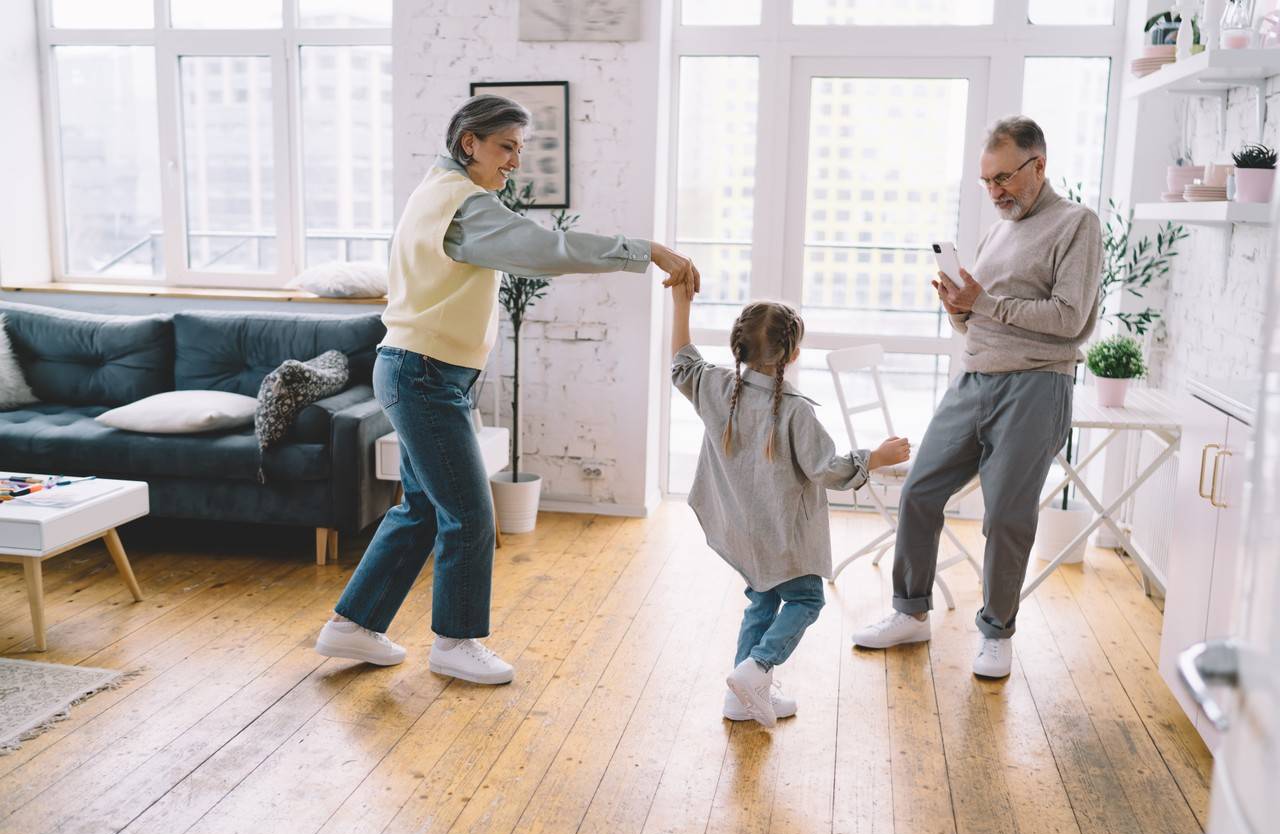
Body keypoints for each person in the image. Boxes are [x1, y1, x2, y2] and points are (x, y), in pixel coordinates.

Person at [315, 94, 699, 684]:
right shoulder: (463, 207)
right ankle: (455, 641)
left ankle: (353, 625)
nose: (515, 161)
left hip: (421, 369)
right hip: (423, 373)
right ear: (469, 142)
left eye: (520, 149)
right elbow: (546, 251)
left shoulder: (439, 189)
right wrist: (643, 251)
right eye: (506, 147)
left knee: (423, 506)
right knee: (469, 513)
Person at [851, 115, 1102, 679]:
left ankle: (996, 632)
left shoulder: (1075, 224)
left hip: (1037, 385)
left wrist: (982, 303)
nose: (995, 193)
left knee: (1007, 516)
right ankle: (911, 612)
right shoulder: (998, 230)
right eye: (987, 182)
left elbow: (1070, 320)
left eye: (1005, 179)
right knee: (919, 490)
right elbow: (985, 317)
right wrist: (961, 311)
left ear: (1039, 165)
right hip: (974, 379)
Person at [670, 287, 910, 727]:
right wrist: (876, 457)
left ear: (738, 346)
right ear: (793, 353)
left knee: (761, 601)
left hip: (742, 529)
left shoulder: (715, 386)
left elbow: (682, 362)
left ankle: (739, 698)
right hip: (783, 535)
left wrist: (681, 303)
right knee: (806, 599)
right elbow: (828, 470)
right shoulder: (796, 412)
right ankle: (757, 667)